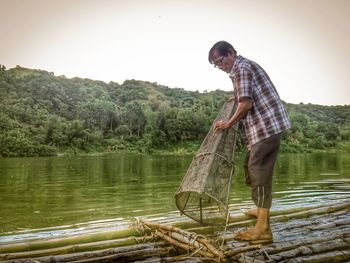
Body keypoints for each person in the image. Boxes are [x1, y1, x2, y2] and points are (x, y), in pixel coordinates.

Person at [208, 41, 291, 242]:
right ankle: (261, 210)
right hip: (262, 129)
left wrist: (228, 123)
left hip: (266, 127)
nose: (220, 66)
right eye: (216, 65)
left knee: (258, 173)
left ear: (231, 53)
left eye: (220, 61)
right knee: (250, 169)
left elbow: (245, 104)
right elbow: (241, 97)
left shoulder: (241, 68)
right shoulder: (243, 68)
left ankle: (263, 229)